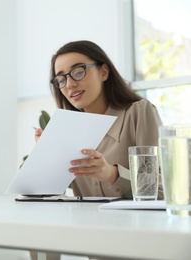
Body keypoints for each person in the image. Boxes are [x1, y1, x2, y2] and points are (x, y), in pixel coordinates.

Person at [31, 40, 163, 260]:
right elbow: (48, 199)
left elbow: (159, 194)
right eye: (61, 78)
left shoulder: (139, 112)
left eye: (78, 71)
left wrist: (111, 173)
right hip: (96, 246)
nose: (69, 84)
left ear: (103, 71)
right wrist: (46, 156)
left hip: (141, 245)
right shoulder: (68, 130)